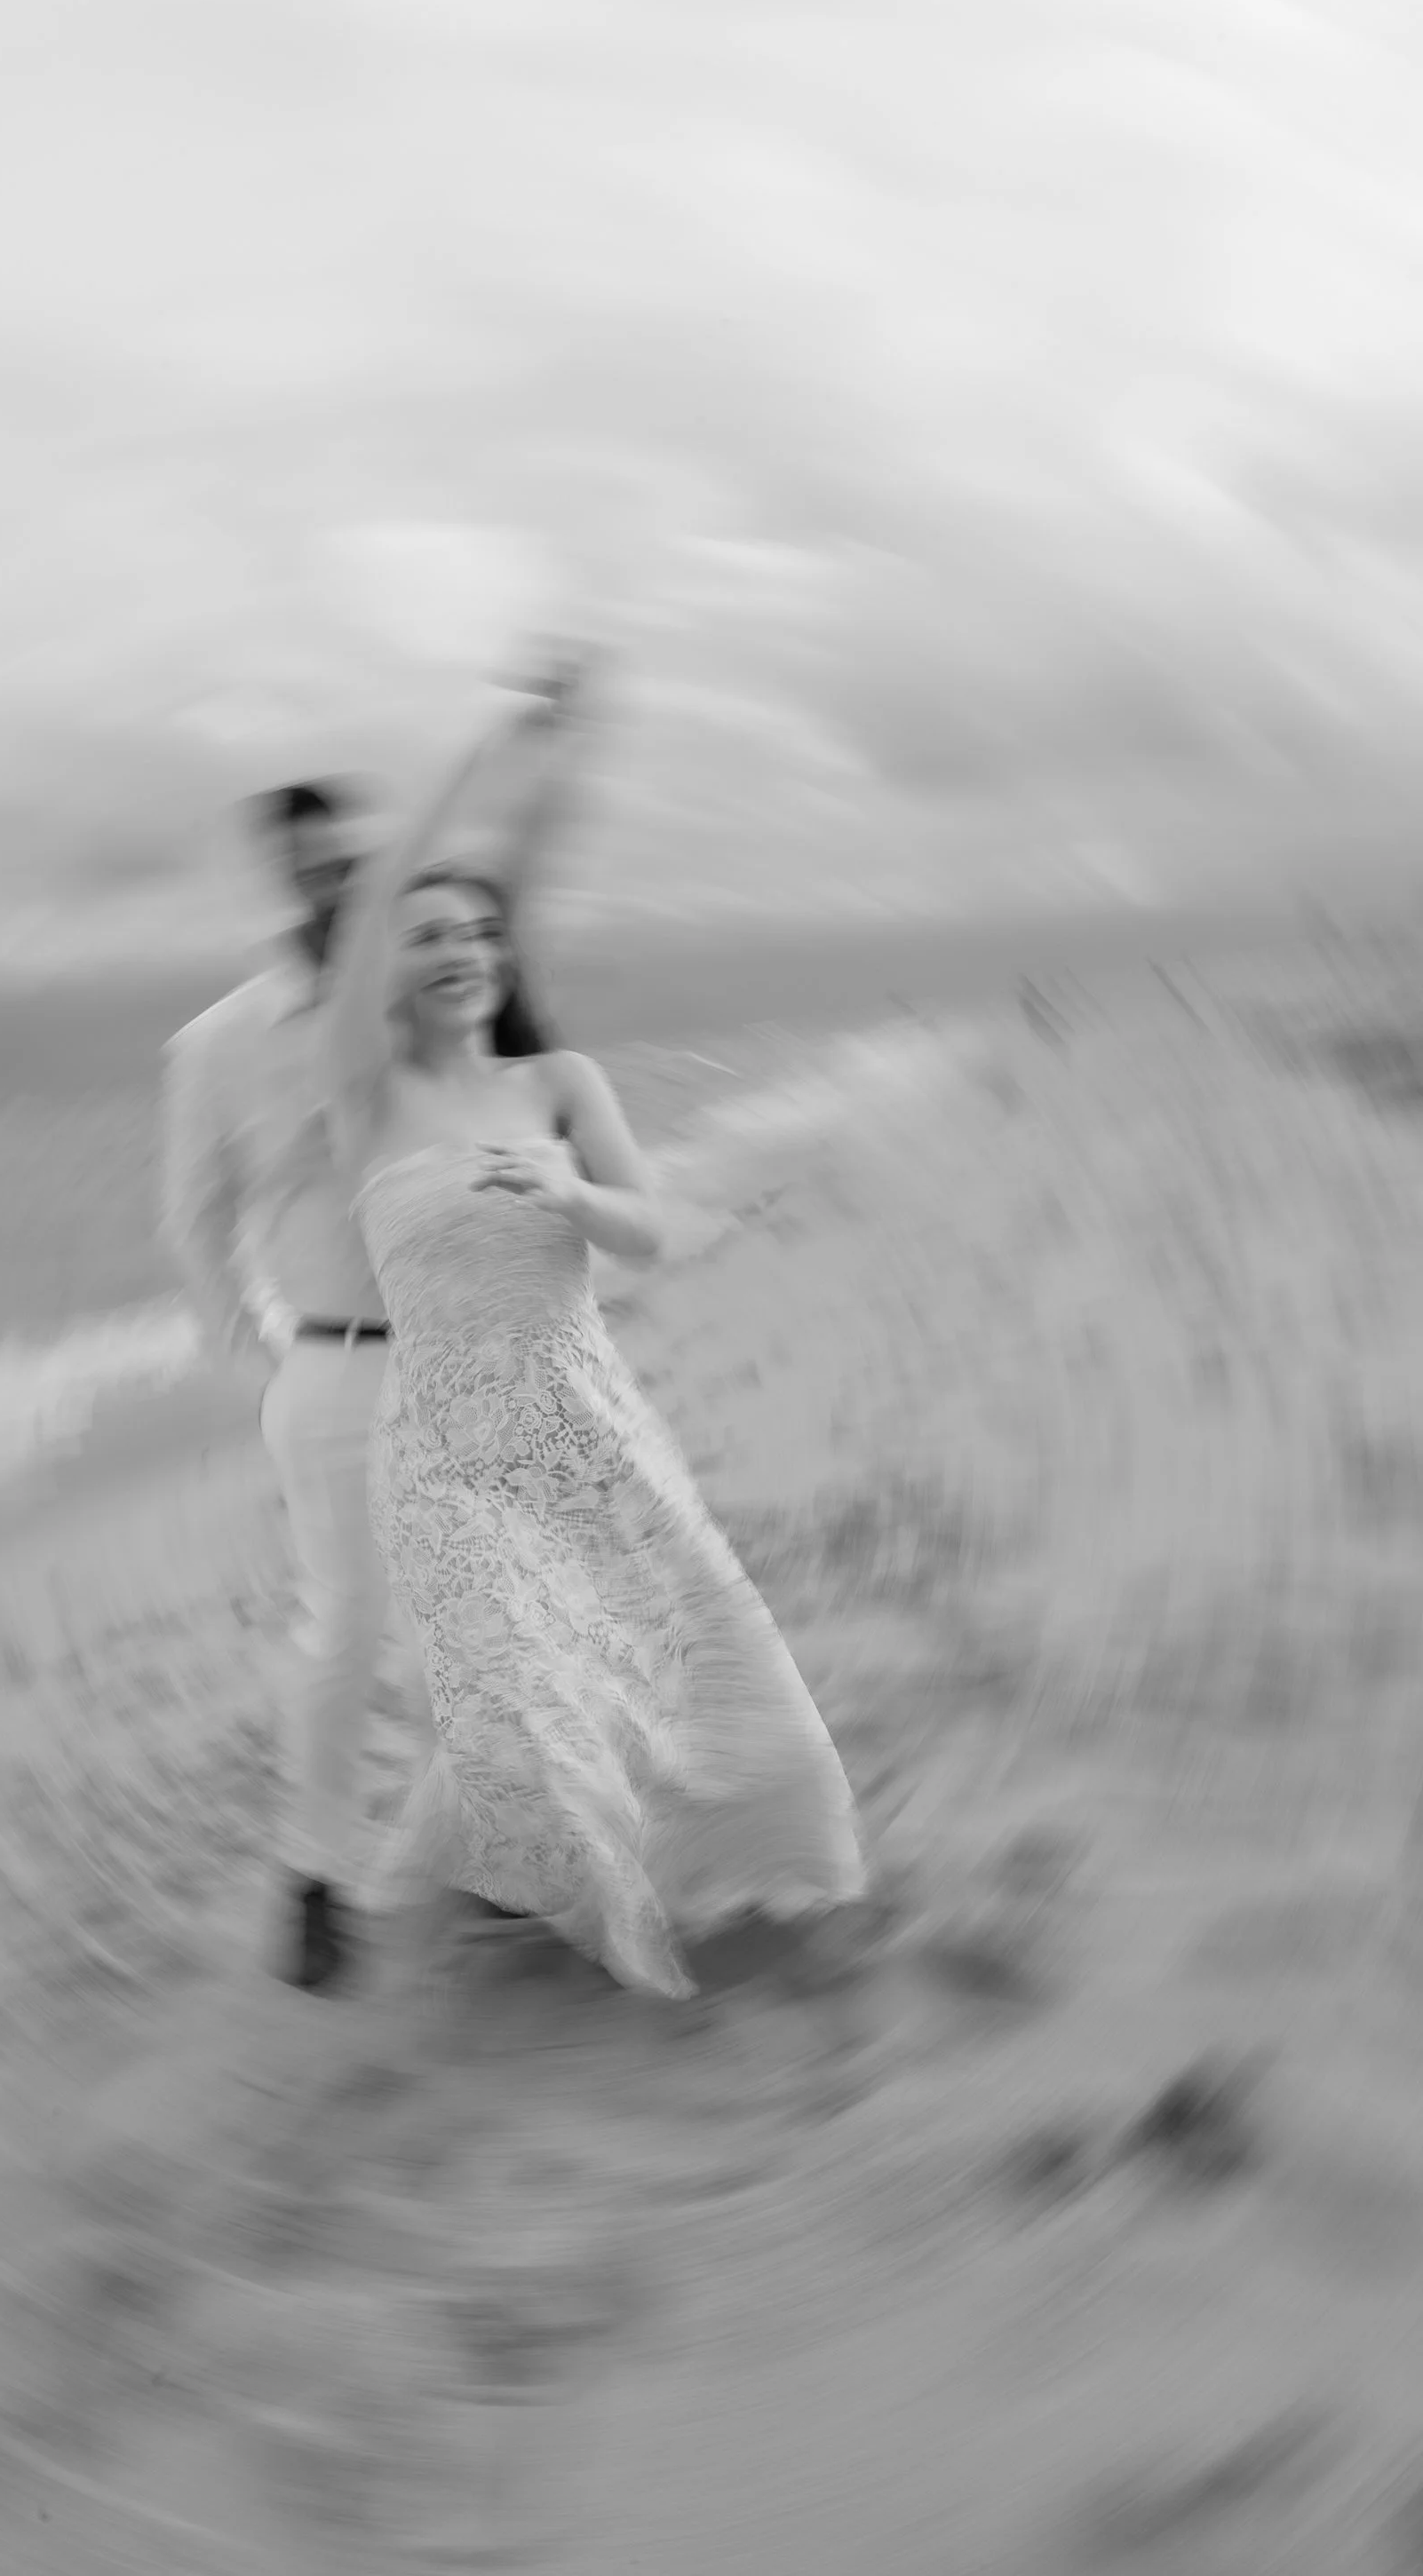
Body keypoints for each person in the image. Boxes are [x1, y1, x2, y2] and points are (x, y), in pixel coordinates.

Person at [320, 652, 868, 2000]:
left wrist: (570, 1188)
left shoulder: (558, 1082)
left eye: (482, 936)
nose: (459, 952)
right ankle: (545, 1883)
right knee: (519, 1683)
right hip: (450, 1448)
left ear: (505, 962)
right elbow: (380, 894)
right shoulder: (366, 1096)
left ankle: (578, 1870)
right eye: (431, 936)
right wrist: (500, 738)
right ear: (389, 964)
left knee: (690, 1671)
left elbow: (659, 1230)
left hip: (585, 1420)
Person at [161, 696, 592, 1993]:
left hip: (462, 1352)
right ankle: (314, 1874)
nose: (334, 884)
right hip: (338, 1366)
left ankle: (495, 1852)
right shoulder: (222, 1046)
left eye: (349, 861)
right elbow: (196, 1222)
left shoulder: (417, 1005)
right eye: (310, 869)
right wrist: (259, 1359)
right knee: (348, 1628)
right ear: (280, 882)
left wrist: (537, 751)